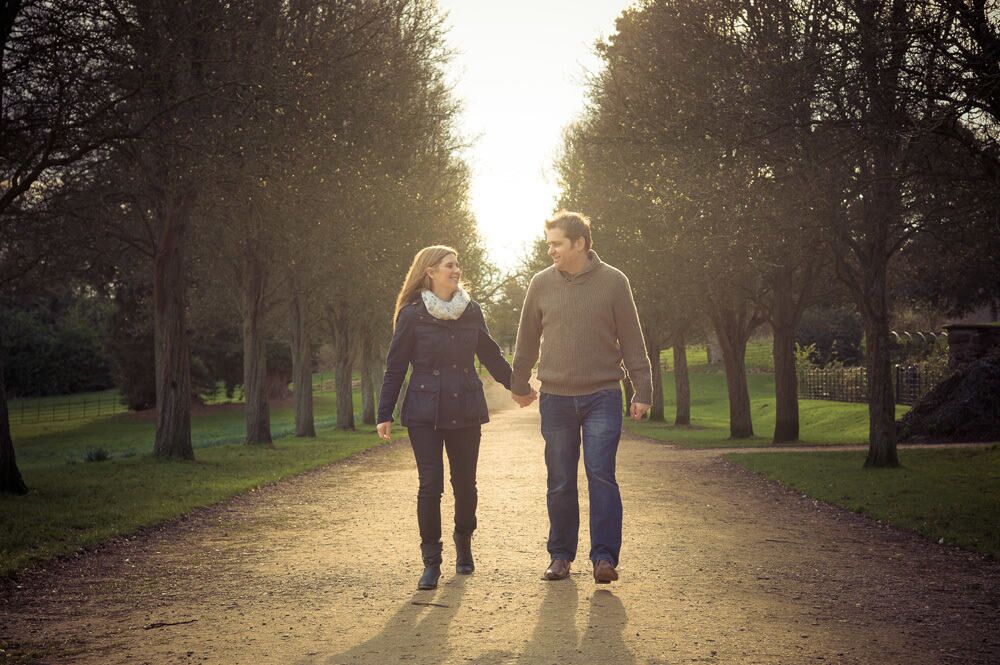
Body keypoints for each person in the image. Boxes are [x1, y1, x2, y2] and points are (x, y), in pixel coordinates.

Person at [510, 210, 652, 584]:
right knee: (559, 479)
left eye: (556, 244)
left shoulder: (614, 282)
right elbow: (526, 340)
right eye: (549, 244)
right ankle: (560, 556)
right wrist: (519, 383)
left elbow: (633, 340)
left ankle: (604, 558)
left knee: (601, 474)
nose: (550, 250)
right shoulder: (540, 284)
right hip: (555, 397)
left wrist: (643, 388)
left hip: (602, 394)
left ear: (580, 243)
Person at [377, 245, 522, 591]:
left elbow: (489, 353)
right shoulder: (412, 315)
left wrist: (517, 387)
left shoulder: (471, 311)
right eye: (449, 266)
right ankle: (431, 562)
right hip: (424, 411)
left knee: (465, 485)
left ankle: (464, 542)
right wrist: (384, 413)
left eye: (457, 265)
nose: (456, 271)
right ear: (430, 271)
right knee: (431, 485)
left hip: (466, 409)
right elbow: (395, 367)